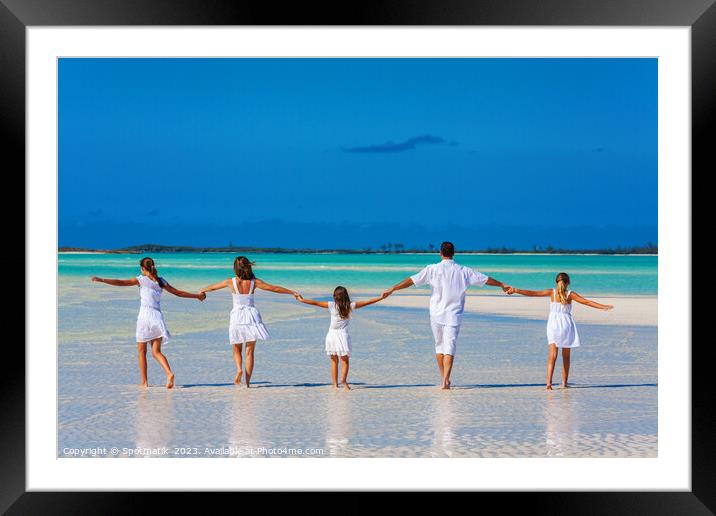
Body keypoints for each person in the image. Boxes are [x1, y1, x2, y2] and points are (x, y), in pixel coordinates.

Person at [384, 241, 512, 389]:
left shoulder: (431, 269)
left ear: (440, 253)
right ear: (453, 253)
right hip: (453, 315)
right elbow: (486, 279)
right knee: (449, 346)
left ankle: (443, 379)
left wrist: (393, 288)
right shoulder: (464, 271)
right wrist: (502, 284)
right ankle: (446, 379)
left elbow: (411, 280)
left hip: (436, 314)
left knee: (439, 346)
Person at [91, 256, 205, 388]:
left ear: (144, 269)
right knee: (156, 352)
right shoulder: (161, 281)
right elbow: (178, 293)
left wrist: (102, 280)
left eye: (141, 268)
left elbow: (121, 282)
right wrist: (197, 296)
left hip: (144, 316)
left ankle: (144, 382)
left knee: (141, 351)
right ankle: (169, 373)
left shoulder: (141, 280)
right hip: (157, 317)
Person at [199, 256, 299, 388]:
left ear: (235, 268)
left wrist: (202, 290)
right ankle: (247, 383)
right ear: (248, 267)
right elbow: (274, 288)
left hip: (237, 316)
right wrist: (292, 292)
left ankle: (239, 369)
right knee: (250, 352)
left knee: (236, 348)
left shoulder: (231, 282)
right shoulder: (254, 282)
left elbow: (213, 287)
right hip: (252, 316)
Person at [506, 272, 614, 389]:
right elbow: (586, 302)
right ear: (568, 283)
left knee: (552, 355)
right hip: (566, 325)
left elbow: (533, 293)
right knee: (566, 356)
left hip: (553, 324)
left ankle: (548, 384)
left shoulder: (551, 292)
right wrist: (603, 306)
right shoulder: (570, 294)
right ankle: (564, 383)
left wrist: (516, 290)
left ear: (556, 282)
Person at [294, 286, 390, 390]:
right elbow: (367, 302)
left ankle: (335, 384)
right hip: (342, 336)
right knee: (345, 361)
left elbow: (315, 302)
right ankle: (343, 381)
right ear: (346, 296)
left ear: (335, 296)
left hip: (331, 335)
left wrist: (301, 299)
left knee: (334, 360)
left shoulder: (331, 305)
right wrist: (381, 298)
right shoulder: (350, 306)